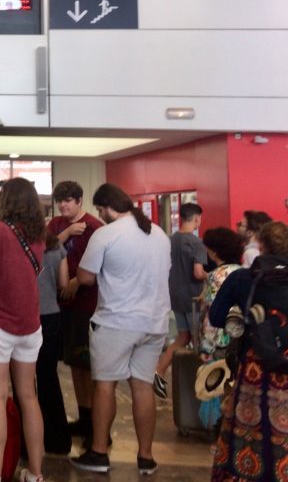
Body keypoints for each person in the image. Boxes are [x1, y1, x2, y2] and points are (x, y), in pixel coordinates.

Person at [71, 183, 170, 476]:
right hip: (154, 323)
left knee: (105, 385)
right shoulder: (159, 234)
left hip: (116, 322)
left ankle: (99, 452)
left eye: (100, 210)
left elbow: (85, 278)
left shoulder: (106, 234)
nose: (100, 215)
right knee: (142, 387)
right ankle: (146, 457)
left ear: (106, 207)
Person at [0, 177, 48, 482]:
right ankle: (36, 473)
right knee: (29, 396)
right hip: (31, 325)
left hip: (1, 324)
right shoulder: (40, 236)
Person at [208, 220, 288, 481]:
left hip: (256, 367)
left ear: (261, 246)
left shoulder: (243, 277)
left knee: (249, 429)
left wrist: (244, 316)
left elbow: (218, 317)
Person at [46, 180, 103, 442]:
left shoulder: (94, 227)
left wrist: (77, 281)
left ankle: (95, 421)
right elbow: (44, 247)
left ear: (80, 200)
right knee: (73, 364)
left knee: (87, 364)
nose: (63, 205)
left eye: (68, 200)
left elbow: (101, 264)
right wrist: (68, 233)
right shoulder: (57, 226)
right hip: (61, 304)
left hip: (86, 304)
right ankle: (83, 415)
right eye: (60, 201)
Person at [154, 202, 206, 399]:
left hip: (175, 295)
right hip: (194, 298)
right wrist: (213, 276)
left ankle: (158, 371)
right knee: (199, 341)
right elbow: (198, 272)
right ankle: (198, 385)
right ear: (196, 219)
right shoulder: (196, 243)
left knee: (183, 337)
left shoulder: (170, 240)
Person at [196, 227, 244, 430]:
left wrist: (205, 347)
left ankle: (217, 429)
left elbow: (212, 313)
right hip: (238, 337)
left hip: (219, 340)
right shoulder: (243, 273)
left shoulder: (215, 277)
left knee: (216, 385)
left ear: (214, 252)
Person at [37, 227, 72, 455]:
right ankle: (58, 439)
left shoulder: (17, 244)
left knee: (24, 384)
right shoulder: (55, 247)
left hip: (24, 316)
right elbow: (63, 283)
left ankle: (27, 439)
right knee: (48, 377)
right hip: (51, 315)